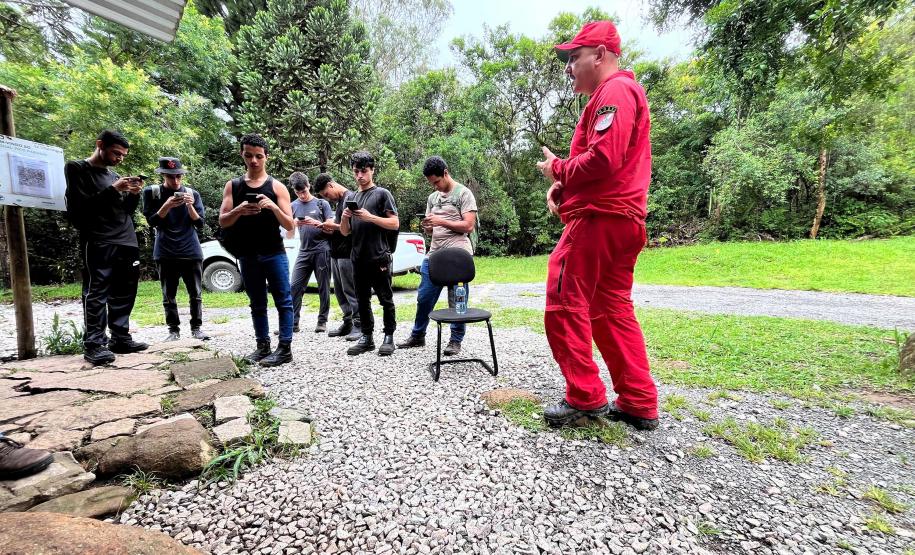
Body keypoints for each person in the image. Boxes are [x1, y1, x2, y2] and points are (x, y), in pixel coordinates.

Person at [535, 21, 659, 431]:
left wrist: (556, 167)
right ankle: (639, 400)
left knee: (564, 294)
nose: (569, 67)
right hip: (621, 220)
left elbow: (603, 160)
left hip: (601, 220)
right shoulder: (617, 94)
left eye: (575, 57)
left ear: (600, 55)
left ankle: (584, 398)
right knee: (610, 309)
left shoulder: (615, 92)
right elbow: (608, 164)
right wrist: (563, 186)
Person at [65, 130, 149, 366]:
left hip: (126, 239)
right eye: (116, 153)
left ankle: (120, 338)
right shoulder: (77, 169)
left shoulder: (114, 175)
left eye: (123, 155)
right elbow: (79, 210)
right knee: (97, 290)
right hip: (99, 239)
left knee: (125, 291)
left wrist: (132, 194)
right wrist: (114, 190)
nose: (120, 158)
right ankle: (94, 343)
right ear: (100, 144)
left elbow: (124, 212)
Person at [218, 134, 295, 367]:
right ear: (242, 154)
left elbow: (290, 225)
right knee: (257, 302)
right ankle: (262, 345)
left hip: (274, 252)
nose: (254, 161)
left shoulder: (276, 186)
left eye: (259, 156)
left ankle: (285, 348)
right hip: (247, 253)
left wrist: (273, 207)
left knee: (284, 300)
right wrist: (239, 210)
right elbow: (223, 220)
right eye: (249, 155)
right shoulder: (233, 186)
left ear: (266, 157)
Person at [398, 156, 477, 356]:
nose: (435, 187)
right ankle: (418, 335)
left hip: (458, 255)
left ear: (445, 172)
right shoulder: (432, 199)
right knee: (424, 298)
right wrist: (428, 227)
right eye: (431, 184)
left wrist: (440, 221)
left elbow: (468, 225)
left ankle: (455, 340)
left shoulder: (463, 194)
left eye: (437, 182)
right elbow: (433, 231)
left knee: (458, 301)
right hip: (434, 254)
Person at [142, 157, 210, 342]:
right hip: (165, 251)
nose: (176, 180)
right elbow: (152, 221)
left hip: (191, 250)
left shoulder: (192, 193)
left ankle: (197, 328)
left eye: (179, 176)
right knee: (168, 294)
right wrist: (167, 205)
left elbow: (200, 223)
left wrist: (189, 205)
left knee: (195, 293)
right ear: (163, 175)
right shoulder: (152, 193)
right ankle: (173, 330)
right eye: (172, 176)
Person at [339, 151, 399, 356]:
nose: (359, 176)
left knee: (385, 299)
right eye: (356, 171)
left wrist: (370, 217)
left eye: (363, 171)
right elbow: (344, 232)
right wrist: (346, 218)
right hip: (357, 258)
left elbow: (394, 223)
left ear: (372, 170)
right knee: (362, 299)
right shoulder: (352, 197)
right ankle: (367, 337)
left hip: (379, 257)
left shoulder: (382, 194)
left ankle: (389, 336)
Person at [313, 173, 362, 341]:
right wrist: (329, 228)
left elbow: (353, 228)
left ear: (331, 185)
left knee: (351, 290)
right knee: (340, 292)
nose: (328, 198)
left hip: (348, 253)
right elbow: (340, 227)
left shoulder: (351, 198)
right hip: (336, 253)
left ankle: (359, 324)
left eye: (326, 194)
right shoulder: (340, 202)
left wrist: (331, 226)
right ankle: (348, 321)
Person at [286, 172, 334, 333]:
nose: (302, 195)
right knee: (294, 286)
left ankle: (322, 321)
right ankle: (293, 323)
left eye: (304, 191)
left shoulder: (322, 204)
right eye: (298, 192)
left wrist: (317, 223)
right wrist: (293, 224)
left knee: (323, 287)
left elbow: (331, 229)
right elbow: (289, 234)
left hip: (322, 250)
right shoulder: (293, 206)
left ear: (309, 186)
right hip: (304, 251)